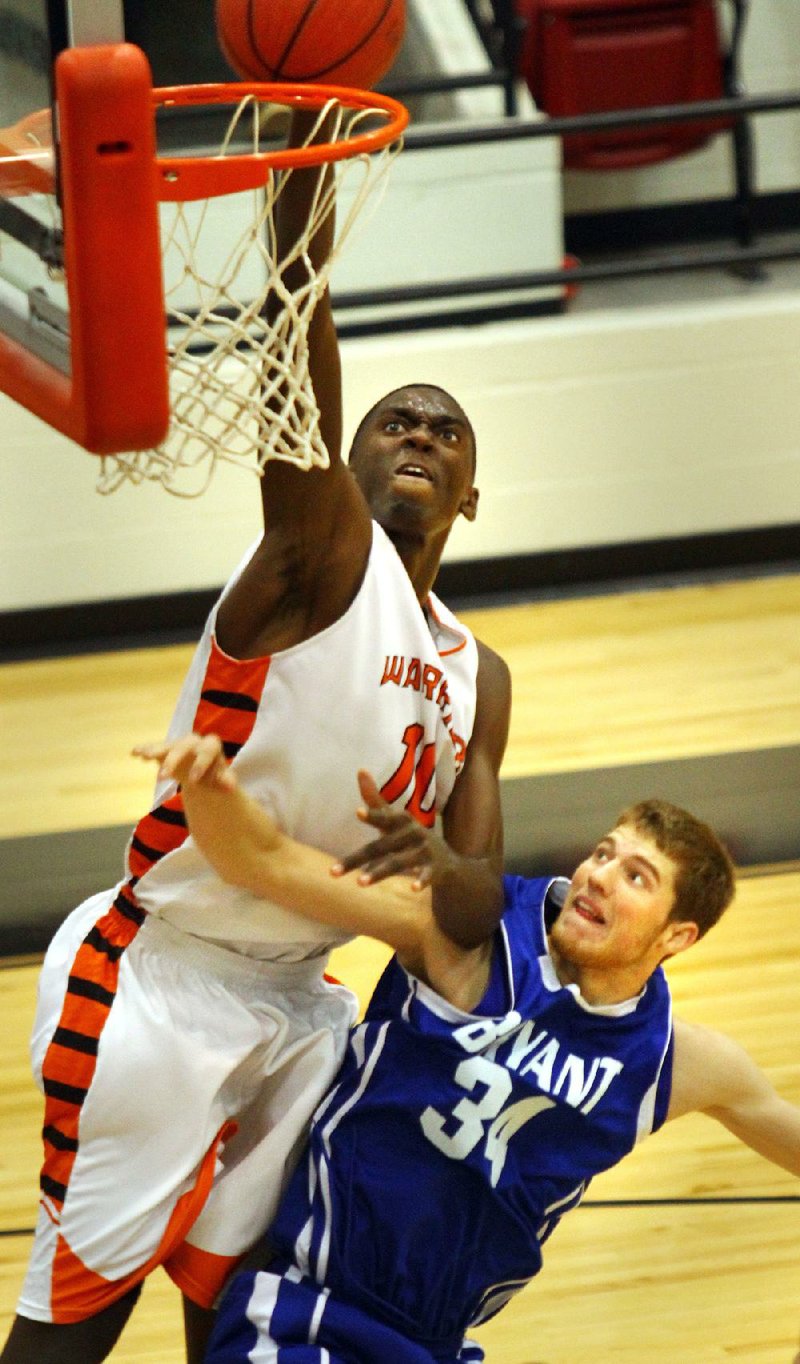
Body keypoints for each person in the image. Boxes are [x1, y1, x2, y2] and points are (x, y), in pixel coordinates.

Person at [0, 114, 510, 1364]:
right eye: (394, 421)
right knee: (81, 1311)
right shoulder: (321, 554)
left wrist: (441, 848)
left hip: (302, 1000)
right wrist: (296, 162)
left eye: (445, 432)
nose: (419, 437)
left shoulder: (478, 675)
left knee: (250, 1312)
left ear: (472, 495)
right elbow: (295, 335)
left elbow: (478, 901)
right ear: (340, 461)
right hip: (160, 976)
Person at [139, 733, 799, 1364]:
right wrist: (210, 785)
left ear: (677, 937)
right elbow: (264, 860)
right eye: (602, 854)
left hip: (438, 1346)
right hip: (310, 1313)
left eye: (636, 876)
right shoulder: (468, 940)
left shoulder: (671, 1062)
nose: (598, 877)